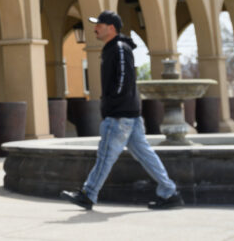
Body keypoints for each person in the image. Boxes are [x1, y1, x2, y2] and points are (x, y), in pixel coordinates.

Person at [61, 11, 184, 210]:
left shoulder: (118, 48)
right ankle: (170, 192)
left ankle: (88, 194)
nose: (95, 28)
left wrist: (113, 104)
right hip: (129, 115)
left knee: (105, 156)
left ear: (111, 28)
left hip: (119, 116)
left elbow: (124, 79)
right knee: (145, 155)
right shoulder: (114, 48)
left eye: (99, 24)